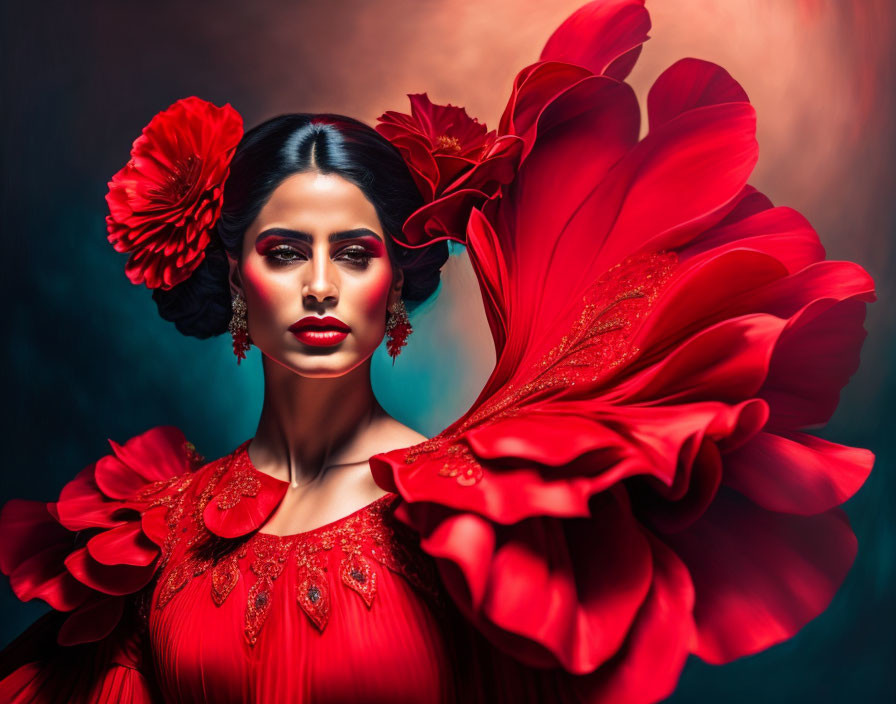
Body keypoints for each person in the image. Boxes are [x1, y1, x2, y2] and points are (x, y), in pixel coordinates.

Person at [0, 1, 876, 702]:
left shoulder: (473, 522)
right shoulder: (152, 534)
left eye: (353, 252)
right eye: (282, 252)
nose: (318, 286)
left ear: (396, 281)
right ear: (235, 279)